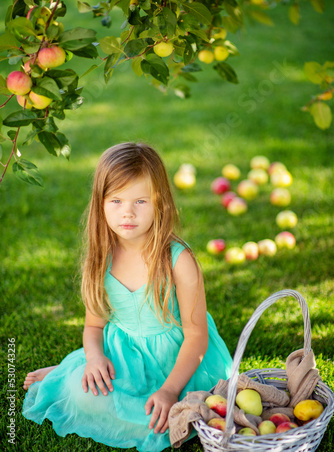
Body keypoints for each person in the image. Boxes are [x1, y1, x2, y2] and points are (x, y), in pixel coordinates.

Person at [23, 142, 233, 452]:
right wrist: (94, 357)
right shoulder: (100, 258)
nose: (128, 213)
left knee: (168, 414)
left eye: (141, 201)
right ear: (101, 204)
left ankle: (80, 375)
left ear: (159, 204)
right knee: (82, 390)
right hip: (123, 354)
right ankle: (67, 371)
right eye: (116, 200)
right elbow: (94, 327)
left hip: (178, 361)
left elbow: (196, 336)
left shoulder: (179, 260)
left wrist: (169, 390)